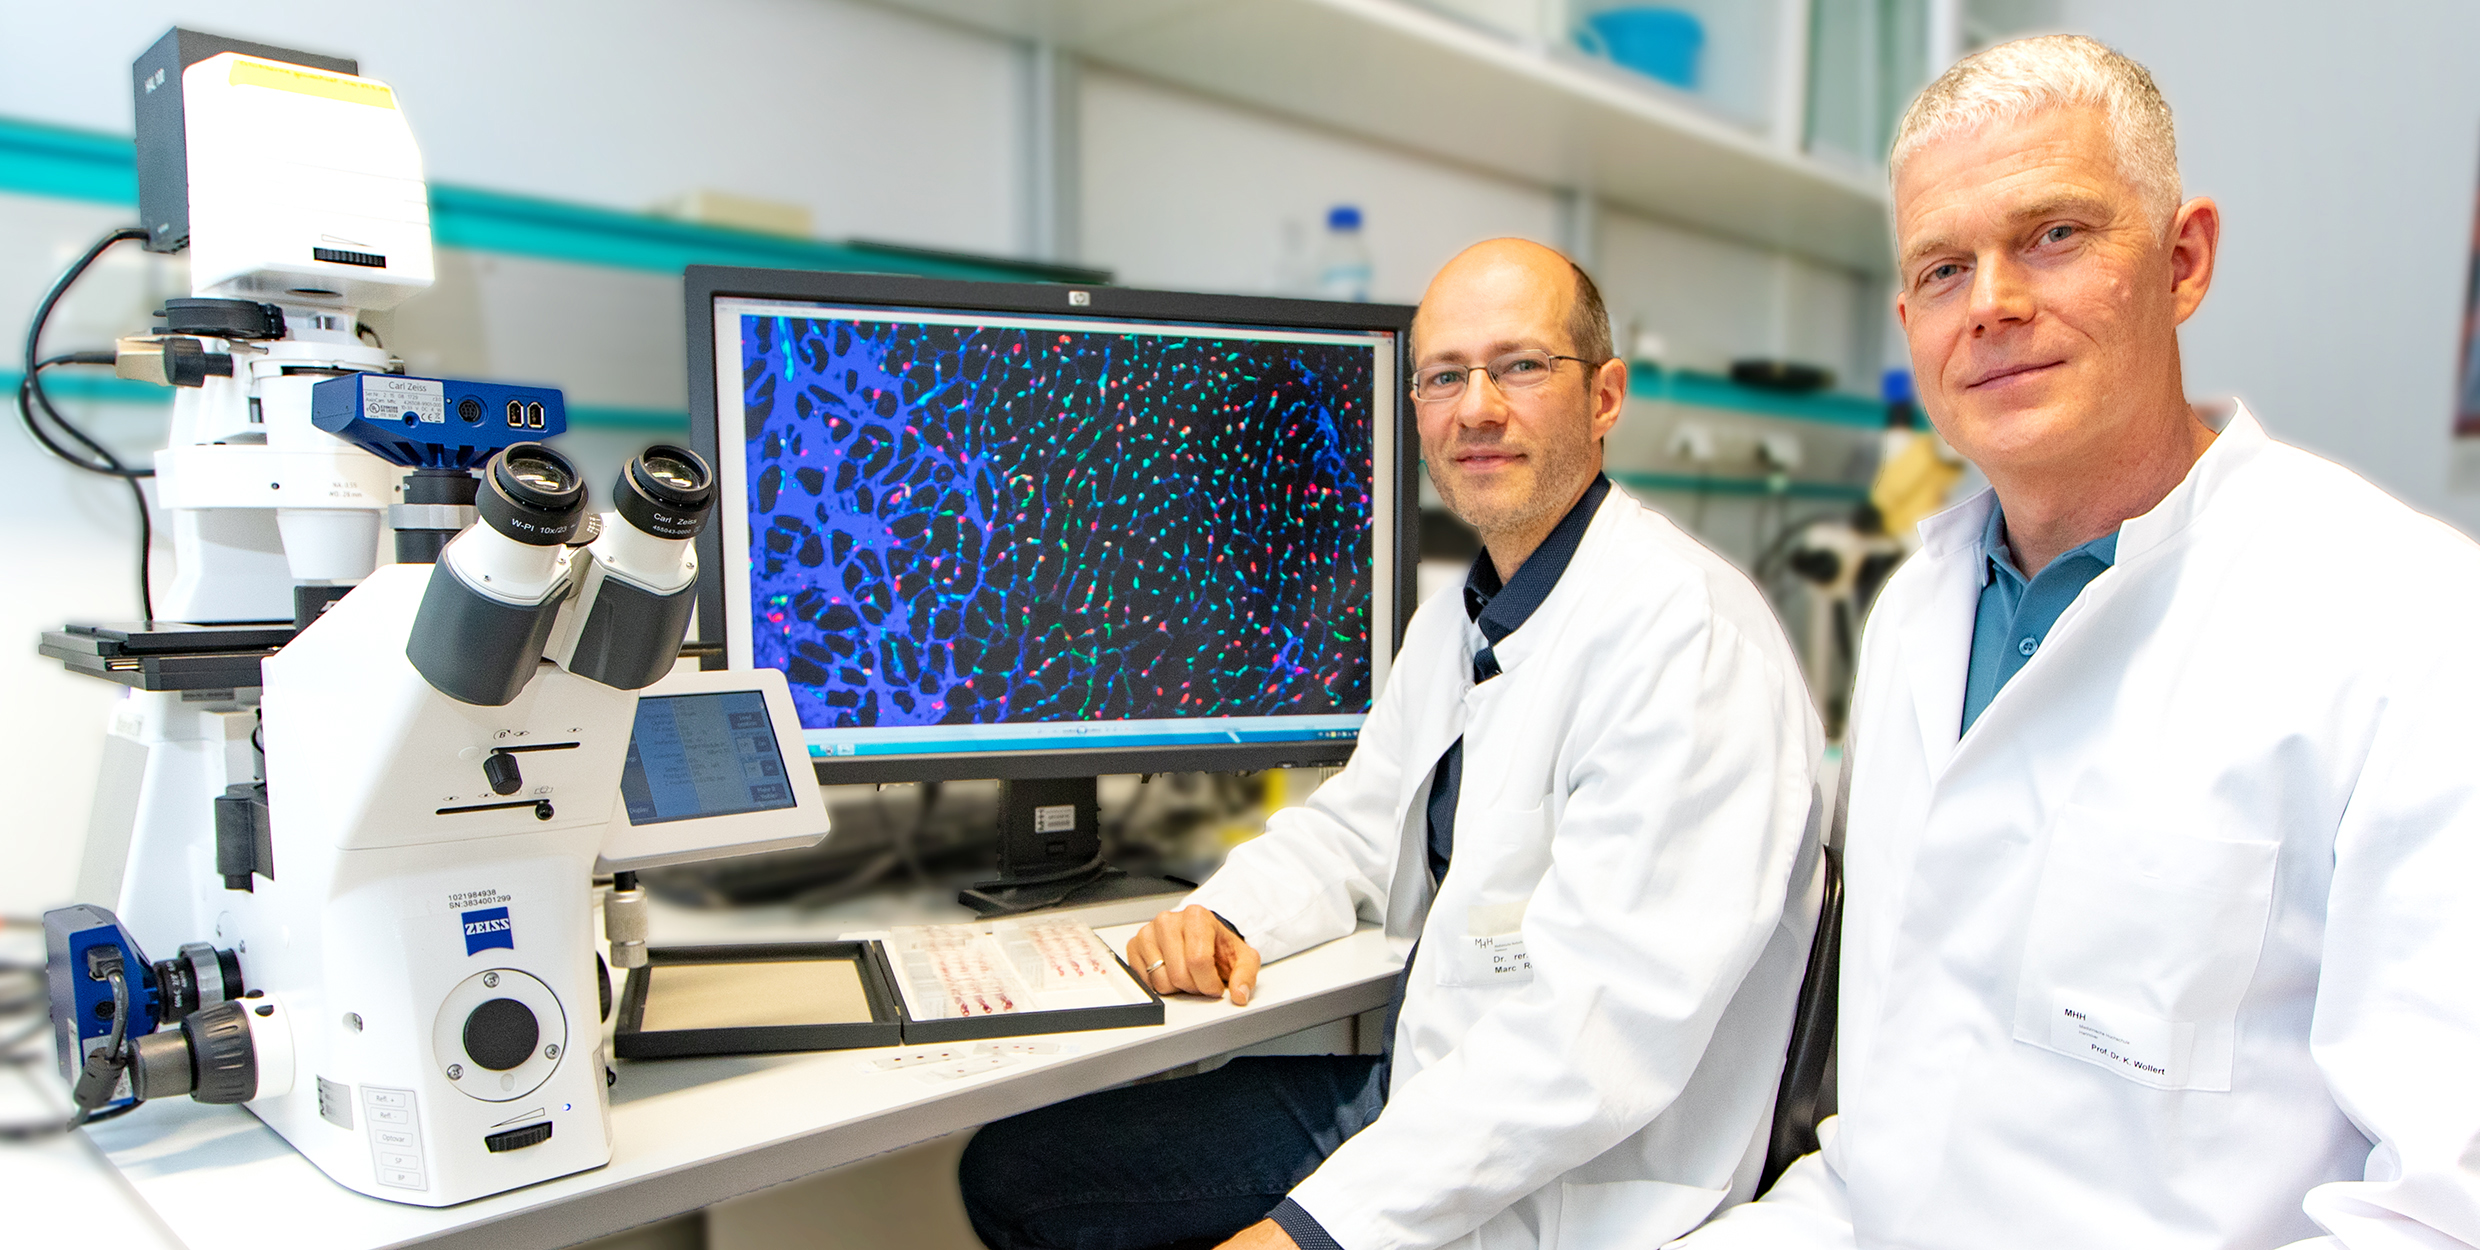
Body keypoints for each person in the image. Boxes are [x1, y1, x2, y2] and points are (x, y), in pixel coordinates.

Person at [1678, 34, 2480, 1250]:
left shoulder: (2407, 622)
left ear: (2181, 258)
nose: (1991, 302)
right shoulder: (1914, 615)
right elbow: (1887, 1146)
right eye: (1942, 268)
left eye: (2052, 234)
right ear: (1908, 321)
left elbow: (2434, 1209)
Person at [960, 238, 1825, 1250]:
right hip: (1426, 1086)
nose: (1476, 407)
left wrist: (1307, 1234)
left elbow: (1592, 1042)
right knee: (1016, 1169)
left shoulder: (1684, 638)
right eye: (1443, 376)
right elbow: (1354, 825)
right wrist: (1225, 912)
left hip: (1583, 1175)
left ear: (1603, 397)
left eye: (1518, 366)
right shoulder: (1461, 617)